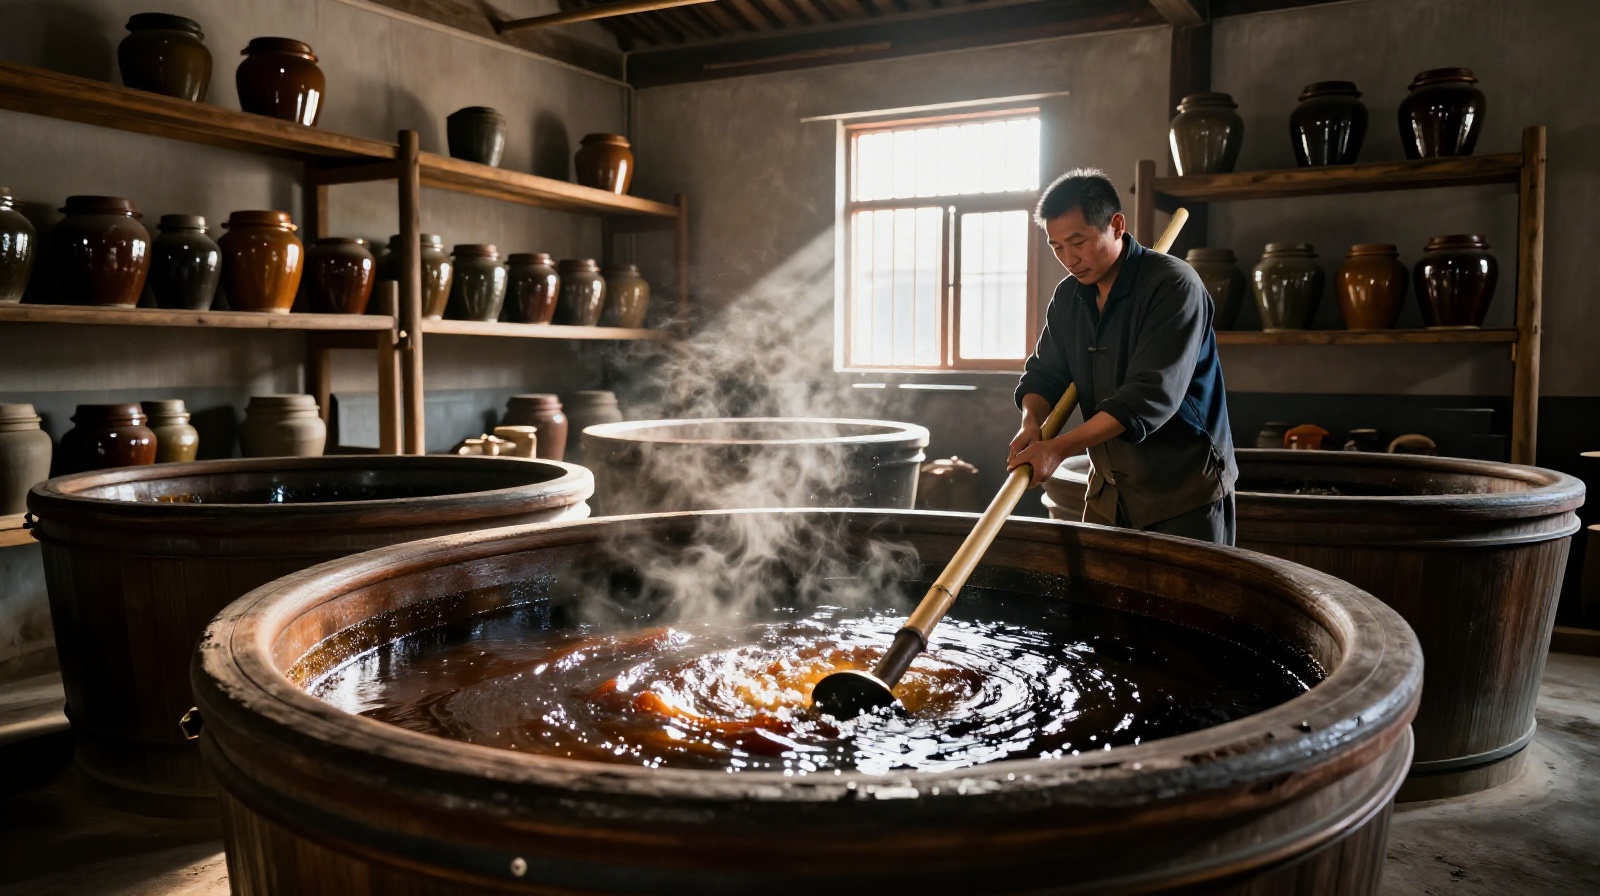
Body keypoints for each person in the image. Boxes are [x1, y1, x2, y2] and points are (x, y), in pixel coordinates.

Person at [1006, 168, 1237, 545]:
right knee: (1098, 603)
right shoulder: (1069, 297)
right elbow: (1044, 374)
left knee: (1182, 604)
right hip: (1109, 493)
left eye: (1078, 241)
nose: (1068, 258)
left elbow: (1147, 397)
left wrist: (1057, 449)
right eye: (1057, 246)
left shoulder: (1173, 285)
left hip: (1182, 495)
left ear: (1116, 224)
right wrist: (1031, 424)